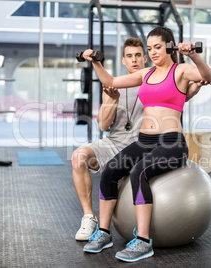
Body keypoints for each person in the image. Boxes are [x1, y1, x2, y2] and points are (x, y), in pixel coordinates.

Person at [82, 26, 211, 262]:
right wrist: (95, 62)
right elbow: (110, 80)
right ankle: (103, 233)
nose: (152, 53)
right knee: (110, 170)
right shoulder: (146, 75)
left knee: (138, 171)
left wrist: (192, 54)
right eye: (150, 48)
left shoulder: (181, 70)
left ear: (170, 46)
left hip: (171, 142)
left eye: (157, 48)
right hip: (144, 141)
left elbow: (206, 76)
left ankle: (143, 241)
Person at [72, 37, 147, 241]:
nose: (134, 60)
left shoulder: (154, 83)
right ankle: (89, 217)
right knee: (79, 157)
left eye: (138, 55)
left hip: (141, 147)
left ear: (145, 59)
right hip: (113, 144)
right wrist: (112, 101)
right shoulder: (113, 84)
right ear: (123, 60)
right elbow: (103, 125)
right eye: (129, 56)